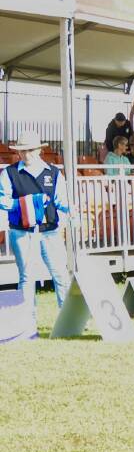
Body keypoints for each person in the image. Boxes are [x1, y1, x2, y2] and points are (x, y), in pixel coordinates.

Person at [0, 130, 71, 329]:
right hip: (22, 232)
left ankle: (66, 320)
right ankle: (26, 322)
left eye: (30, 150)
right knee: (26, 277)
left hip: (50, 231)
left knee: (60, 274)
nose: (25, 154)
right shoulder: (9, 173)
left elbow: (62, 201)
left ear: (39, 150)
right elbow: (1, 200)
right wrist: (23, 205)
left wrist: (72, 214)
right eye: (22, 151)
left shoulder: (54, 173)